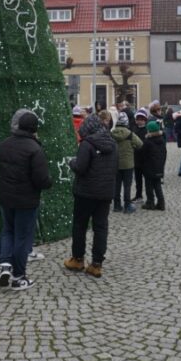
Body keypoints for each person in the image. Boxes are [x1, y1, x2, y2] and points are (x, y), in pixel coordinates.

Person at [0, 109, 52, 291]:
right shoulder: (35, 149)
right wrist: (49, 182)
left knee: (7, 231)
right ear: (34, 128)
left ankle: (5, 266)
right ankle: (18, 276)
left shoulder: (4, 144)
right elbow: (42, 179)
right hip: (26, 200)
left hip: (6, 197)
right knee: (22, 236)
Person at [63, 113, 117, 278]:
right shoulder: (113, 143)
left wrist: (71, 162)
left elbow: (80, 167)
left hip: (86, 193)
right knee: (101, 228)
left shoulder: (87, 144)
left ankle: (78, 259)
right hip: (105, 193)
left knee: (80, 226)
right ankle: (96, 264)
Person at [111, 112, 142, 213]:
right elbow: (140, 144)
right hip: (128, 164)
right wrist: (132, 147)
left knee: (116, 185)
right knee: (127, 186)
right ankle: (127, 205)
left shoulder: (112, 133)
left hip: (115, 164)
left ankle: (116, 205)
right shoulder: (130, 134)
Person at [141, 120, 167, 210]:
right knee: (157, 185)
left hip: (149, 168)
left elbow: (143, 154)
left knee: (149, 186)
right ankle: (161, 203)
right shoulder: (162, 140)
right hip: (159, 167)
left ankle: (150, 202)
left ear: (149, 131)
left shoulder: (148, 142)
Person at [131, 108, 149, 201]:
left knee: (148, 180)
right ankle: (138, 195)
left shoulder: (147, 130)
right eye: (138, 119)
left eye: (141, 120)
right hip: (136, 158)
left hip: (145, 159)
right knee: (137, 179)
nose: (139, 121)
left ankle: (150, 197)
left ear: (145, 120)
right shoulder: (134, 129)